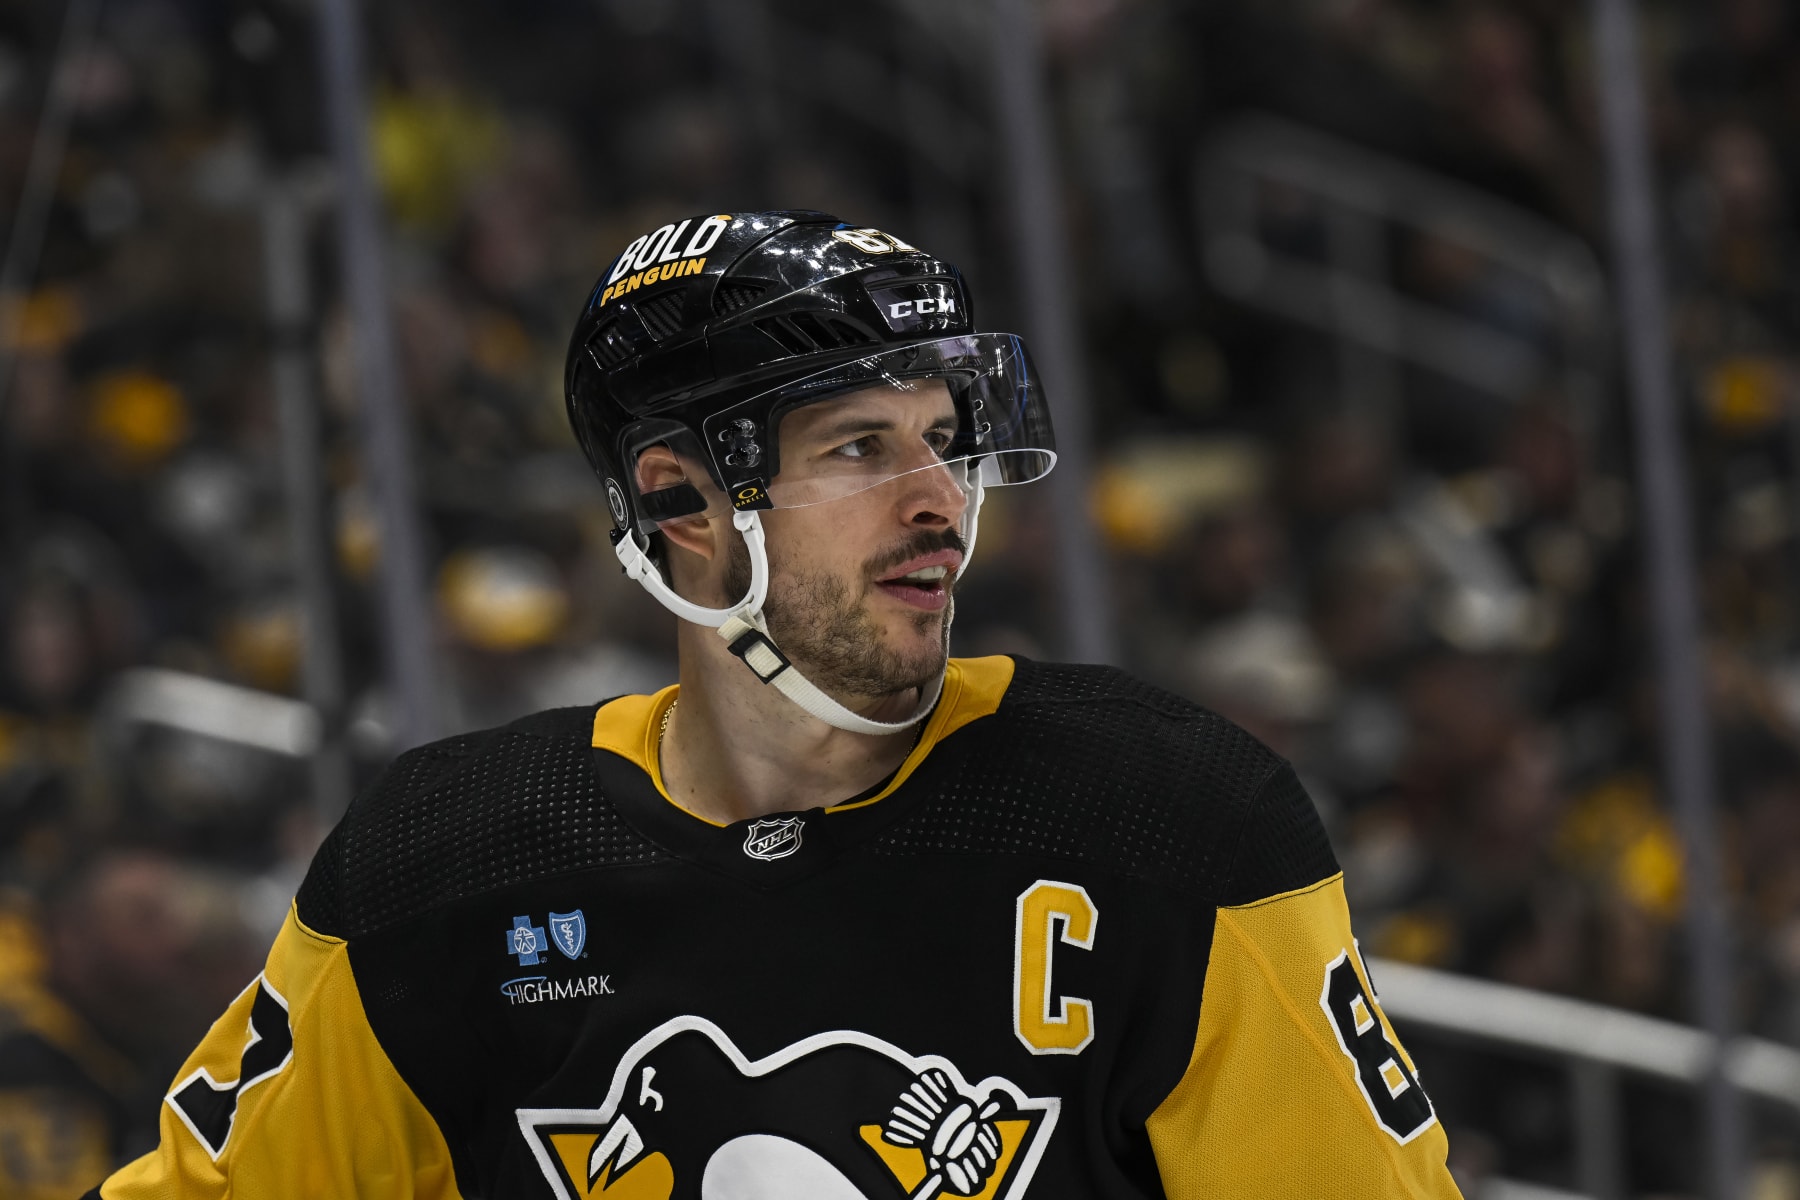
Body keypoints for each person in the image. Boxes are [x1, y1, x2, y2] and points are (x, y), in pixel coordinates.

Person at [87, 211, 1461, 1197]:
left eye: (943, 441)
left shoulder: (1175, 821)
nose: (938, 504)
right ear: (680, 502)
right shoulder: (450, 859)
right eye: (860, 448)